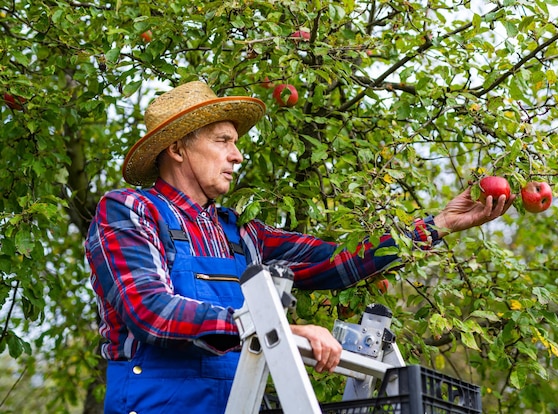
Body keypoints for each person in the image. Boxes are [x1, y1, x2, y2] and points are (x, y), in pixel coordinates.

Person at [84, 80, 514, 413]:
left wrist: (438, 224)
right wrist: (279, 332)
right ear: (177, 148)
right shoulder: (130, 211)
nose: (237, 155)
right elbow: (152, 312)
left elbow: (341, 260)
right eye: (222, 141)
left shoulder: (243, 235)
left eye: (236, 142)